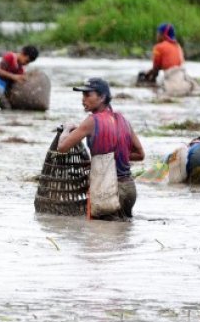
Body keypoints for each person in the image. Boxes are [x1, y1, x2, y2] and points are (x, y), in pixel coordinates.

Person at [57, 78, 145, 219]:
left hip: (108, 191)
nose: (83, 99)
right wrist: (111, 159)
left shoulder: (91, 121)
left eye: (87, 95)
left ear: (102, 97)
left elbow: (62, 147)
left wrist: (67, 129)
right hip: (129, 189)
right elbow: (140, 154)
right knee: (121, 235)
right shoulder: (123, 120)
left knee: (100, 236)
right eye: (82, 95)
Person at [0, 45, 39, 111]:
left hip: (5, 91)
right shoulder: (10, 57)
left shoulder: (20, 69)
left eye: (29, 63)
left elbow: (17, 80)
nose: (26, 64)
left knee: (6, 110)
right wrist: (13, 76)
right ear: (22, 53)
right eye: (26, 61)